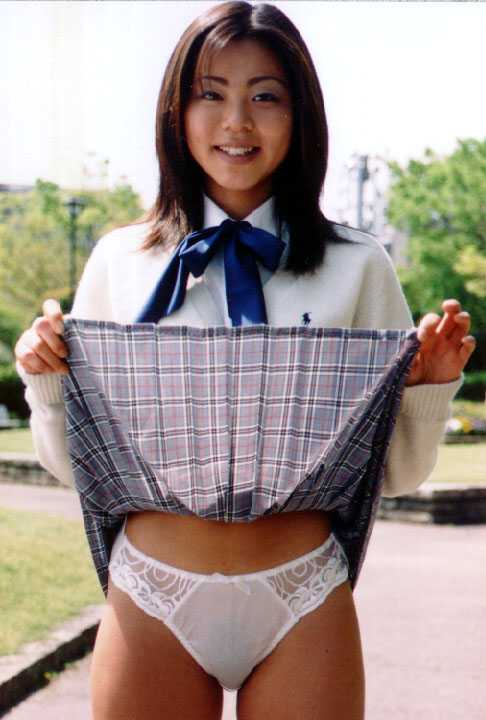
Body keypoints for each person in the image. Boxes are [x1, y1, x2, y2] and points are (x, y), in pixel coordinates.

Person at [15, 2, 475, 718]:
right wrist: (46, 382)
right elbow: (80, 469)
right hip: (152, 593)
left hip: (302, 593)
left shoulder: (358, 265)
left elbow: (394, 476)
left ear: (300, 116)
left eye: (265, 97)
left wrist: (429, 389)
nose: (237, 122)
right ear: (176, 111)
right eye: (211, 94)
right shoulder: (121, 261)